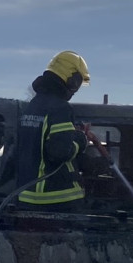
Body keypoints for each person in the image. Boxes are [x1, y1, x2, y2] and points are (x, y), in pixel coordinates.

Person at [14, 50, 90, 208]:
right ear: (71, 79)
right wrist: (80, 141)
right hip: (55, 197)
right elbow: (59, 152)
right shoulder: (60, 108)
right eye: (77, 84)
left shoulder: (31, 106)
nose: (75, 91)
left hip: (26, 195)